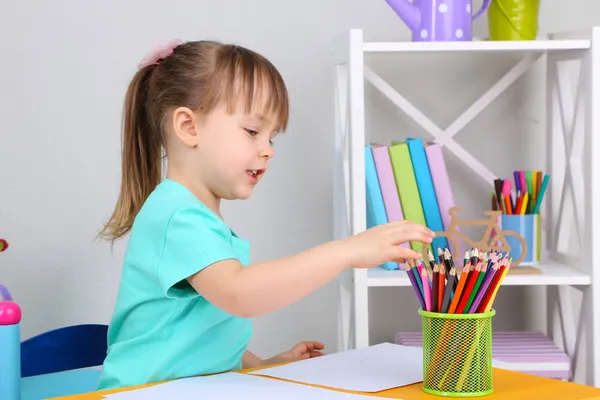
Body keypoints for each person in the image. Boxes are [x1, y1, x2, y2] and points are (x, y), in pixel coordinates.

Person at [96, 38, 434, 390]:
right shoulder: (176, 216)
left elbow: (202, 329)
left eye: (272, 138)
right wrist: (346, 250)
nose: (268, 150)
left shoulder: (194, 216)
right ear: (189, 127)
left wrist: (264, 364)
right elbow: (239, 294)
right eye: (253, 132)